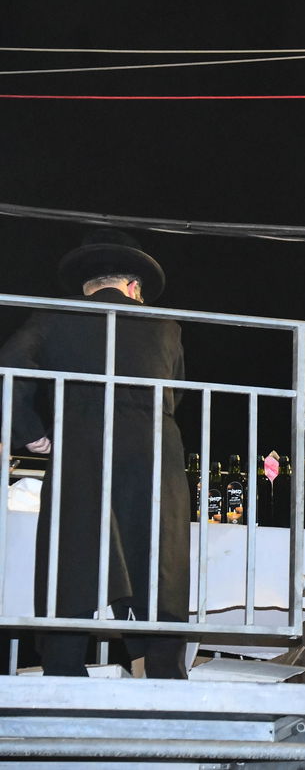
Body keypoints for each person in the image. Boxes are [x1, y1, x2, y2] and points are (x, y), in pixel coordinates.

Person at [0, 229, 191, 678]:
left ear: (89, 286)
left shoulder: (56, 317)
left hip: (83, 443)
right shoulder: (166, 326)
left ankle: (64, 668)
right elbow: (177, 393)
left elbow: (8, 368)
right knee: (158, 554)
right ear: (133, 286)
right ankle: (165, 671)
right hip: (154, 450)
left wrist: (30, 432)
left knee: (76, 550)